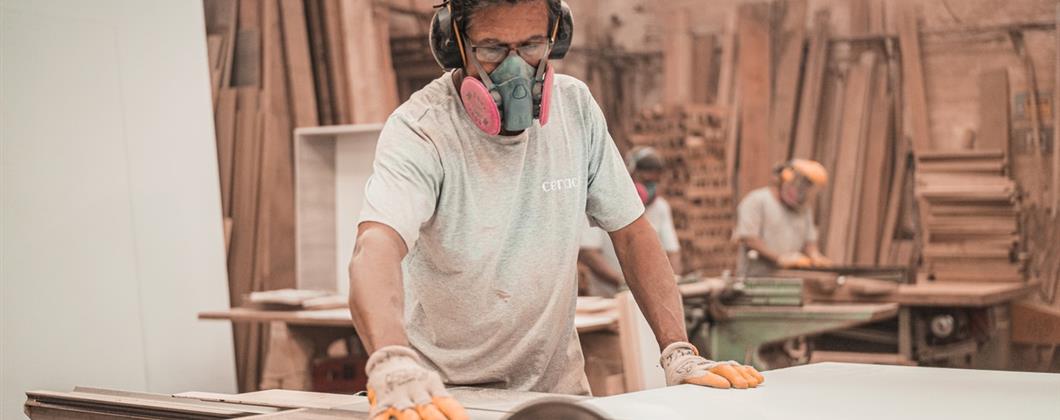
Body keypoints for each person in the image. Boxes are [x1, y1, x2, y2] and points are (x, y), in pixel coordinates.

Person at [348, 1, 763, 419]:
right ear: (455, 44)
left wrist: (678, 351)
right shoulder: (422, 127)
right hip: (441, 397)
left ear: (555, 39)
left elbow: (632, 232)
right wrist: (392, 361)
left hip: (554, 397)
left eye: (531, 45)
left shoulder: (574, 108)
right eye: (492, 48)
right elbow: (376, 245)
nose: (516, 69)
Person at [579, 147, 681, 297]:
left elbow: (673, 252)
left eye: (655, 182)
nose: (650, 187)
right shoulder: (601, 203)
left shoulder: (660, 208)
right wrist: (624, 283)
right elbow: (588, 253)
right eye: (646, 181)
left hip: (650, 298)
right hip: (610, 298)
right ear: (628, 174)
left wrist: (669, 285)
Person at [733, 159, 832, 277]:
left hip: (788, 280)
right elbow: (750, 239)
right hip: (756, 279)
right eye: (797, 186)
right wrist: (779, 258)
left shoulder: (803, 210)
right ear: (783, 180)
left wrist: (815, 256)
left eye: (806, 189)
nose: (800, 193)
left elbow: (809, 242)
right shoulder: (757, 201)